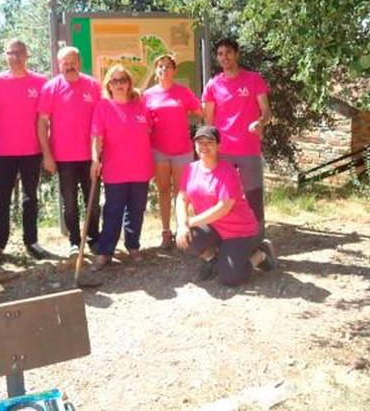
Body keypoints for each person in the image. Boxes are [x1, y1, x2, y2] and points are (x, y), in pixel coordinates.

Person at [176, 126, 275, 286]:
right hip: (213, 227)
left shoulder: (228, 172)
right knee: (184, 237)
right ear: (194, 145)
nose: (204, 146)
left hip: (238, 230)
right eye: (200, 142)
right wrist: (182, 225)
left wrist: (190, 222)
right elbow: (181, 198)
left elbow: (223, 208)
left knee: (230, 278)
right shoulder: (190, 169)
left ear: (219, 146)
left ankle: (260, 255)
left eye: (210, 142)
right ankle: (212, 259)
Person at [0, 39, 49, 262]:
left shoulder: (41, 82)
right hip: (5, 152)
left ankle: (31, 242)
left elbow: (46, 117)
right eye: (11, 53)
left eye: (20, 52)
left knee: (31, 198)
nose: (16, 57)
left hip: (32, 150)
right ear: (5, 55)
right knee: (2, 199)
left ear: (27, 55)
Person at [202, 38, 272, 236]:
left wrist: (260, 122)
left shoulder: (253, 79)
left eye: (228, 53)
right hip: (223, 152)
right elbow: (208, 120)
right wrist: (208, 148)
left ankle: (257, 241)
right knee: (222, 198)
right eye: (221, 54)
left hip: (248, 149)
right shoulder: (213, 84)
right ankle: (224, 239)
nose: (225, 57)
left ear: (237, 54)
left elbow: (266, 110)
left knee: (253, 197)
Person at [38, 46, 101, 257]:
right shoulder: (51, 88)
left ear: (79, 63)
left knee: (92, 202)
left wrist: (99, 154)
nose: (69, 66)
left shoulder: (93, 86)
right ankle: (75, 242)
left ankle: (93, 238)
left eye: (72, 62)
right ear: (58, 65)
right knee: (70, 204)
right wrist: (47, 155)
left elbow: (102, 121)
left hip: (90, 157)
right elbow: (42, 123)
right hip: (63, 158)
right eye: (65, 63)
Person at [90, 65, 154, 270]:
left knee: (136, 210)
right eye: (114, 81)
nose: (119, 84)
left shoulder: (141, 105)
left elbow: (149, 130)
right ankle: (105, 251)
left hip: (140, 168)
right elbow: (96, 138)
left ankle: (133, 246)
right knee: (113, 211)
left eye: (122, 80)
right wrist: (95, 160)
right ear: (108, 85)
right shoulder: (103, 107)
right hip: (115, 169)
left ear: (129, 83)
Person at [143, 54, 203, 249]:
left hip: (181, 150)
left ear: (174, 70)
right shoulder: (148, 95)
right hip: (158, 150)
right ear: (156, 70)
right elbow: (144, 121)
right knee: (163, 190)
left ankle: (181, 230)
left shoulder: (183, 92)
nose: (164, 69)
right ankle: (166, 231)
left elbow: (200, 110)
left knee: (181, 192)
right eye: (160, 66)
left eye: (168, 66)